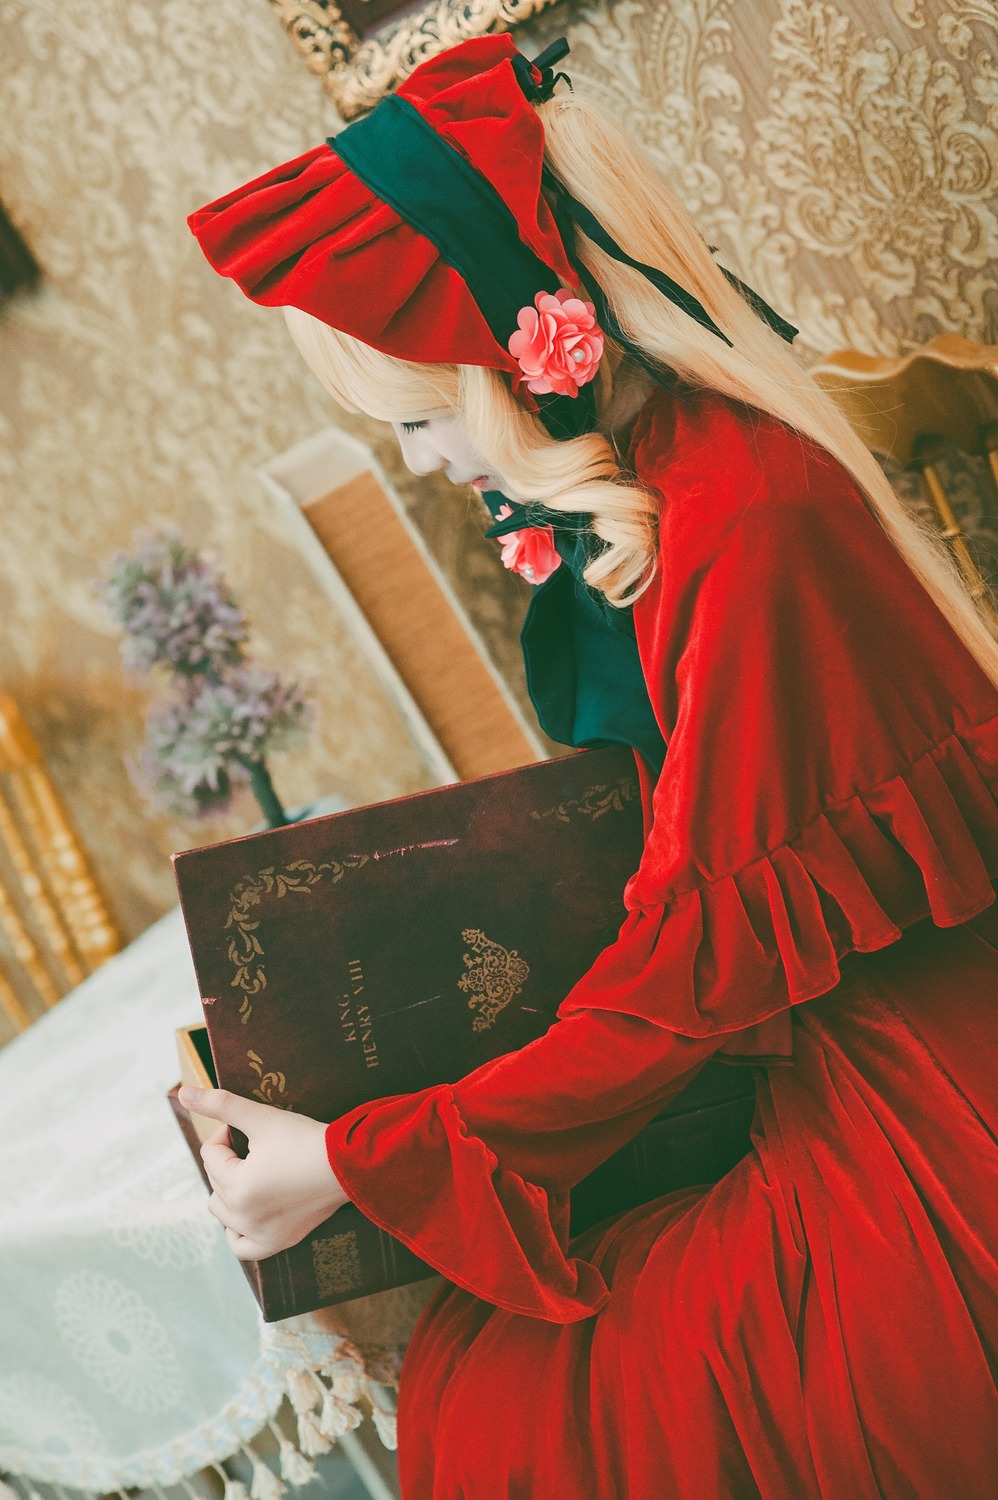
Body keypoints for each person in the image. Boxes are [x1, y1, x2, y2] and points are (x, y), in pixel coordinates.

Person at [179, 35, 998, 1498]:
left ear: (522, 360)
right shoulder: (682, 478)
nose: (426, 464)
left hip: (937, 1087)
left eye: (424, 419)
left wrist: (367, 1160)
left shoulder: (742, 526)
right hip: (860, 1042)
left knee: (518, 1396)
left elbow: (694, 961)